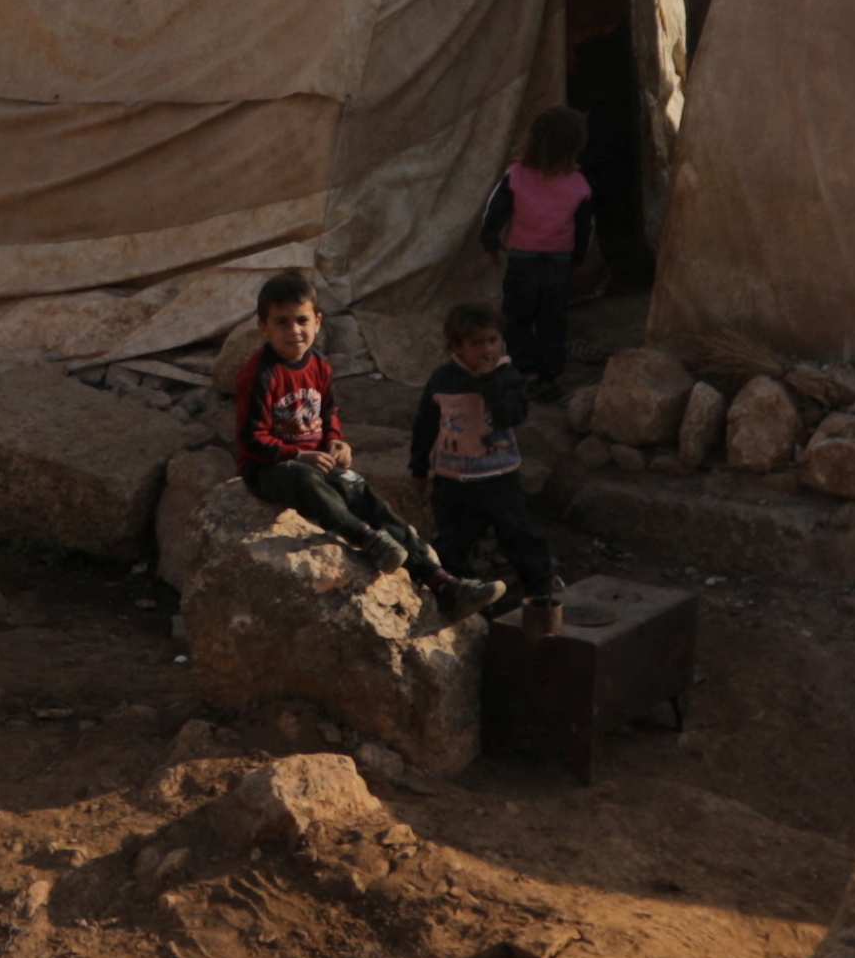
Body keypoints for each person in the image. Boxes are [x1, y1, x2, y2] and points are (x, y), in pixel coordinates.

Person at [228, 270, 448, 589]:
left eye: (302, 320)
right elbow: (251, 439)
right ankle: (366, 538)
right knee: (303, 479)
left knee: (359, 489)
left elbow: (328, 410)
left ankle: (436, 577)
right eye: (282, 322)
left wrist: (334, 441)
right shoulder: (261, 374)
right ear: (264, 327)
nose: (294, 331)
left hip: (316, 461)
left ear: (317, 321)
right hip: (269, 468)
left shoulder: (319, 365)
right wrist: (299, 455)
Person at [406, 297, 552, 613]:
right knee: (452, 541)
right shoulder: (443, 379)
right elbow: (425, 425)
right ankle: (459, 594)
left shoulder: (508, 376)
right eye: (477, 343)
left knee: (517, 534)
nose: (487, 349)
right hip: (453, 480)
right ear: (456, 347)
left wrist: (489, 380)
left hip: (498, 476)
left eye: (492, 340)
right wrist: (418, 466)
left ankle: (540, 591)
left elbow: (510, 416)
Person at [494, 109, 600, 394]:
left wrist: (489, 240)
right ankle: (550, 377)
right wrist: (577, 257)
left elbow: (496, 211)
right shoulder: (578, 184)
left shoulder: (516, 175)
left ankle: (526, 372)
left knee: (518, 318)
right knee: (552, 320)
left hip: (522, 260)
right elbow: (584, 228)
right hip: (558, 262)